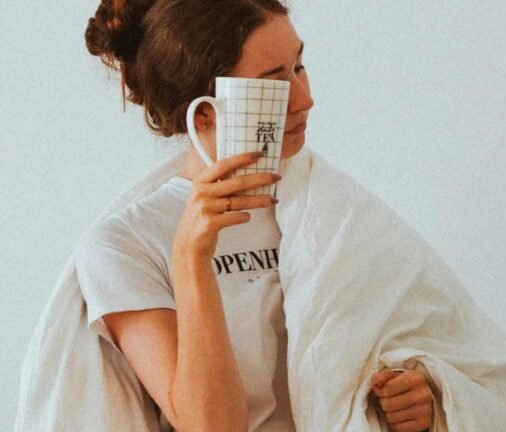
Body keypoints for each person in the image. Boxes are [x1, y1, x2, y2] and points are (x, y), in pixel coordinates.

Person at [80, 1, 436, 431]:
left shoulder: (333, 208)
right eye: (274, 83)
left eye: (299, 67)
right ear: (205, 109)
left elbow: (414, 345)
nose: (305, 99)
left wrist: (419, 399)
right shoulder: (126, 244)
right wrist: (192, 260)